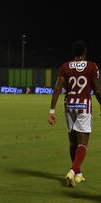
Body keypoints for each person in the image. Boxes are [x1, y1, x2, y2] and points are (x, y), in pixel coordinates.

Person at [48, 41, 101, 187]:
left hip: (69, 105)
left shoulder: (64, 66)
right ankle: (72, 171)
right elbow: (97, 90)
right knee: (83, 143)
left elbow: (58, 89)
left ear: (73, 53)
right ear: (85, 53)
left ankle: (78, 174)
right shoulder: (92, 66)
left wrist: (51, 111)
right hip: (84, 106)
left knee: (73, 142)